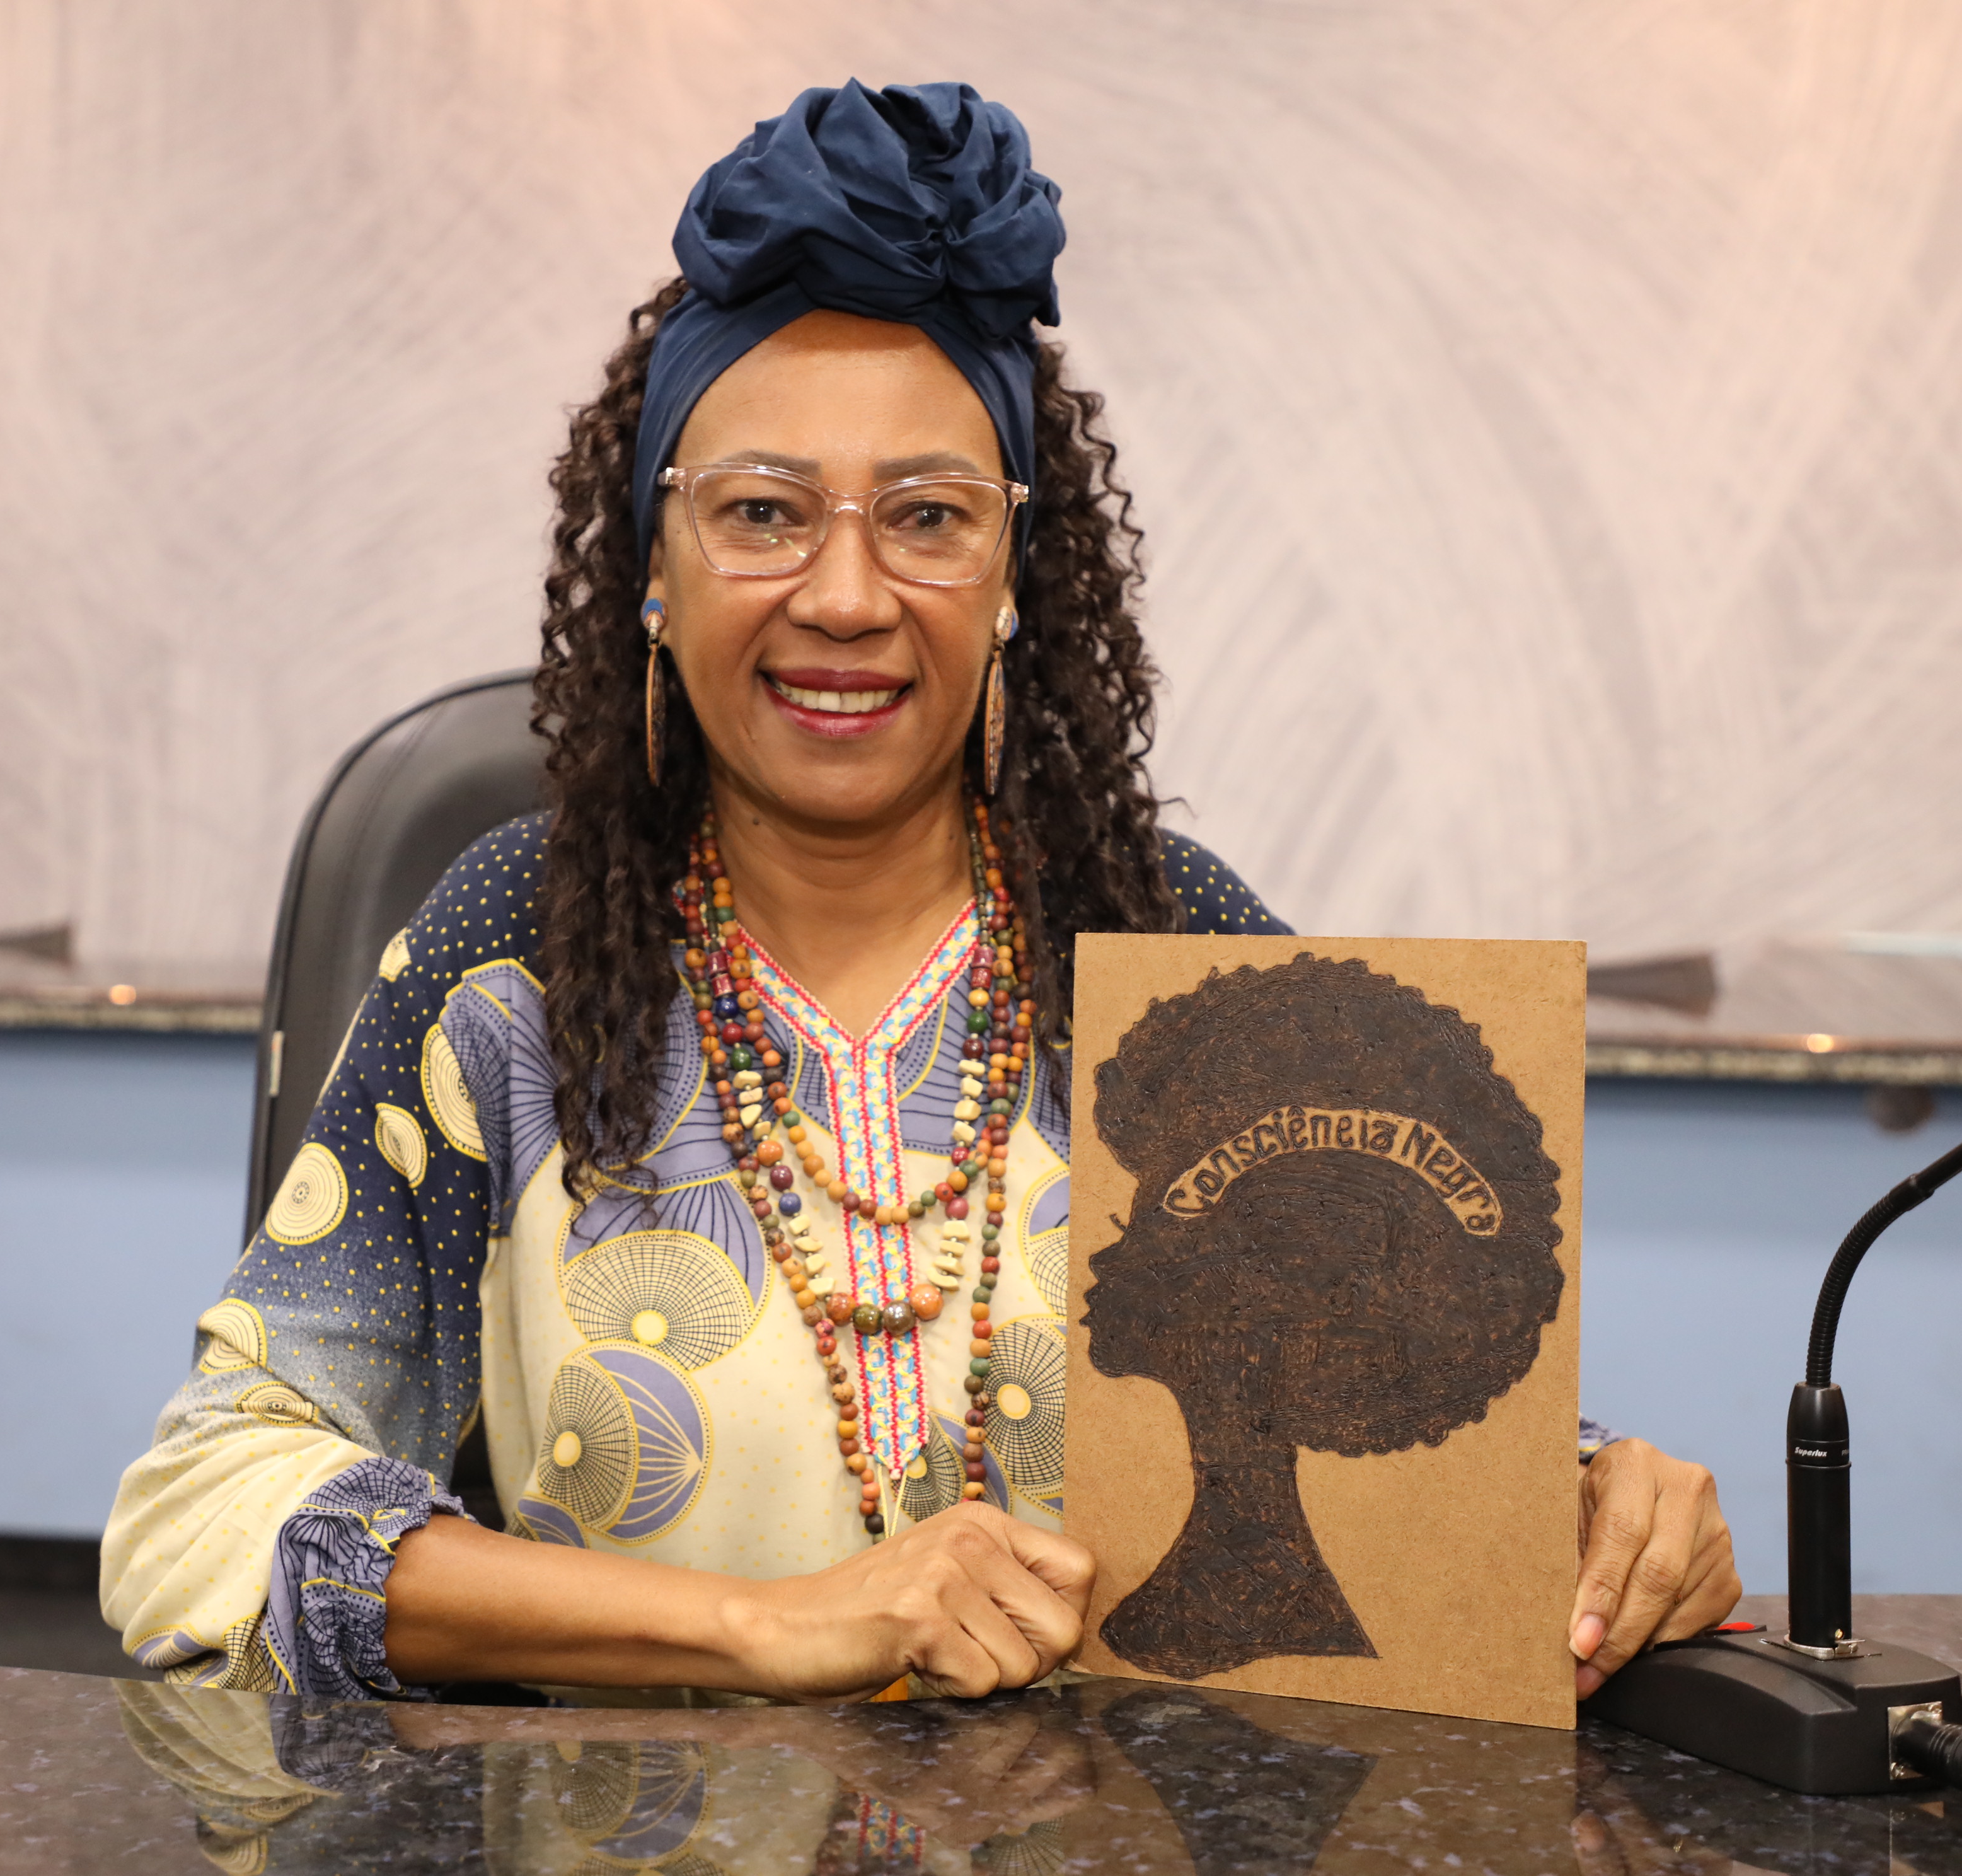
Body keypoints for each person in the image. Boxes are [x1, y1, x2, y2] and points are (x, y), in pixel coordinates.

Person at [101, 79, 1738, 1707]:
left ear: (1013, 572)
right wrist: (768, 1628)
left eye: (929, 518)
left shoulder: (1169, 945)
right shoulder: (514, 956)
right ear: (655, 567)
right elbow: (198, 1517)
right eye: (761, 513)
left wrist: (1594, 1505)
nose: (845, 595)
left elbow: (1419, 1450)